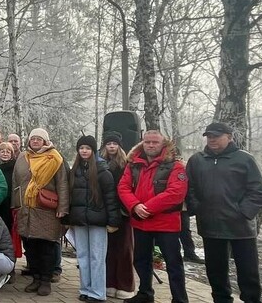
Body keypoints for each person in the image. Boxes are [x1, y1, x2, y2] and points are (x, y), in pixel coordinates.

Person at [187, 122, 262, 303]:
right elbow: (190, 188)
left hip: (240, 227)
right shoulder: (197, 160)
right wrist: (198, 208)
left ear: (230, 137)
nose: (212, 139)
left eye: (217, 136)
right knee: (215, 270)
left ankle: (252, 300)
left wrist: (243, 212)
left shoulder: (244, 159)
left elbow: (260, 191)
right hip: (210, 226)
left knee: (248, 271)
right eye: (209, 136)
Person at [117, 129, 188, 303]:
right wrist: (135, 205)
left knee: (173, 264)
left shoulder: (176, 165)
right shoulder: (133, 164)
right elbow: (123, 187)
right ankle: (145, 293)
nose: (150, 145)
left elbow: (176, 193)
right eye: (147, 142)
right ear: (142, 143)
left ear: (163, 144)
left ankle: (180, 299)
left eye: (155, 142)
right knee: (140, 260)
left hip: (167, 224)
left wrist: (147, 208)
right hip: (140, 222)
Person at [12, 127, 69, 296]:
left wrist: (63, 208)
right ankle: (35, 278)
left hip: (47, 210)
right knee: (30, 247)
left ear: (45, 141)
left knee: (47, 247)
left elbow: (63, 184)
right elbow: (15, 183)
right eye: (33, 139)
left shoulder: (55, 158)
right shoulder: (23, 157)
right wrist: (15, 205)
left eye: (39, 139)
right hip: (26, 210)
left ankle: (45, 280)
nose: (35, 141)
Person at [68, 136, 120, 303]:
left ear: (93, 150)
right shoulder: (74, 171)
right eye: (81, 148)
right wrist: (68, 218)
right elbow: (70, 196)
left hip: (98, 220)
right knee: (82, 255)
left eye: (88, 148)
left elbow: (111, 198)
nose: (84, 151)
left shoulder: (102, 171)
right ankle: (85, 288)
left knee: (97, 257)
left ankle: (97, 292)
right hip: (80, 220)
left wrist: (113, 221)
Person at [100, 131, 134, 299]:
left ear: (119, 146)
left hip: (123, 212)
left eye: (114, 144)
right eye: (108, 144)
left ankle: (125, 285)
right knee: (108, 250)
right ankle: (109, 283)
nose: (111, 146)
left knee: (124, 249)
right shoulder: (100, 163)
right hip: (105, 211)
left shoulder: (127, 164)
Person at [0, 141, 17, 236]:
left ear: (11, 154)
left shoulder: (15, 166)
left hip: (10, 201)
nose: (5, 154)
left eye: (8, 152)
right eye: (2, 151)